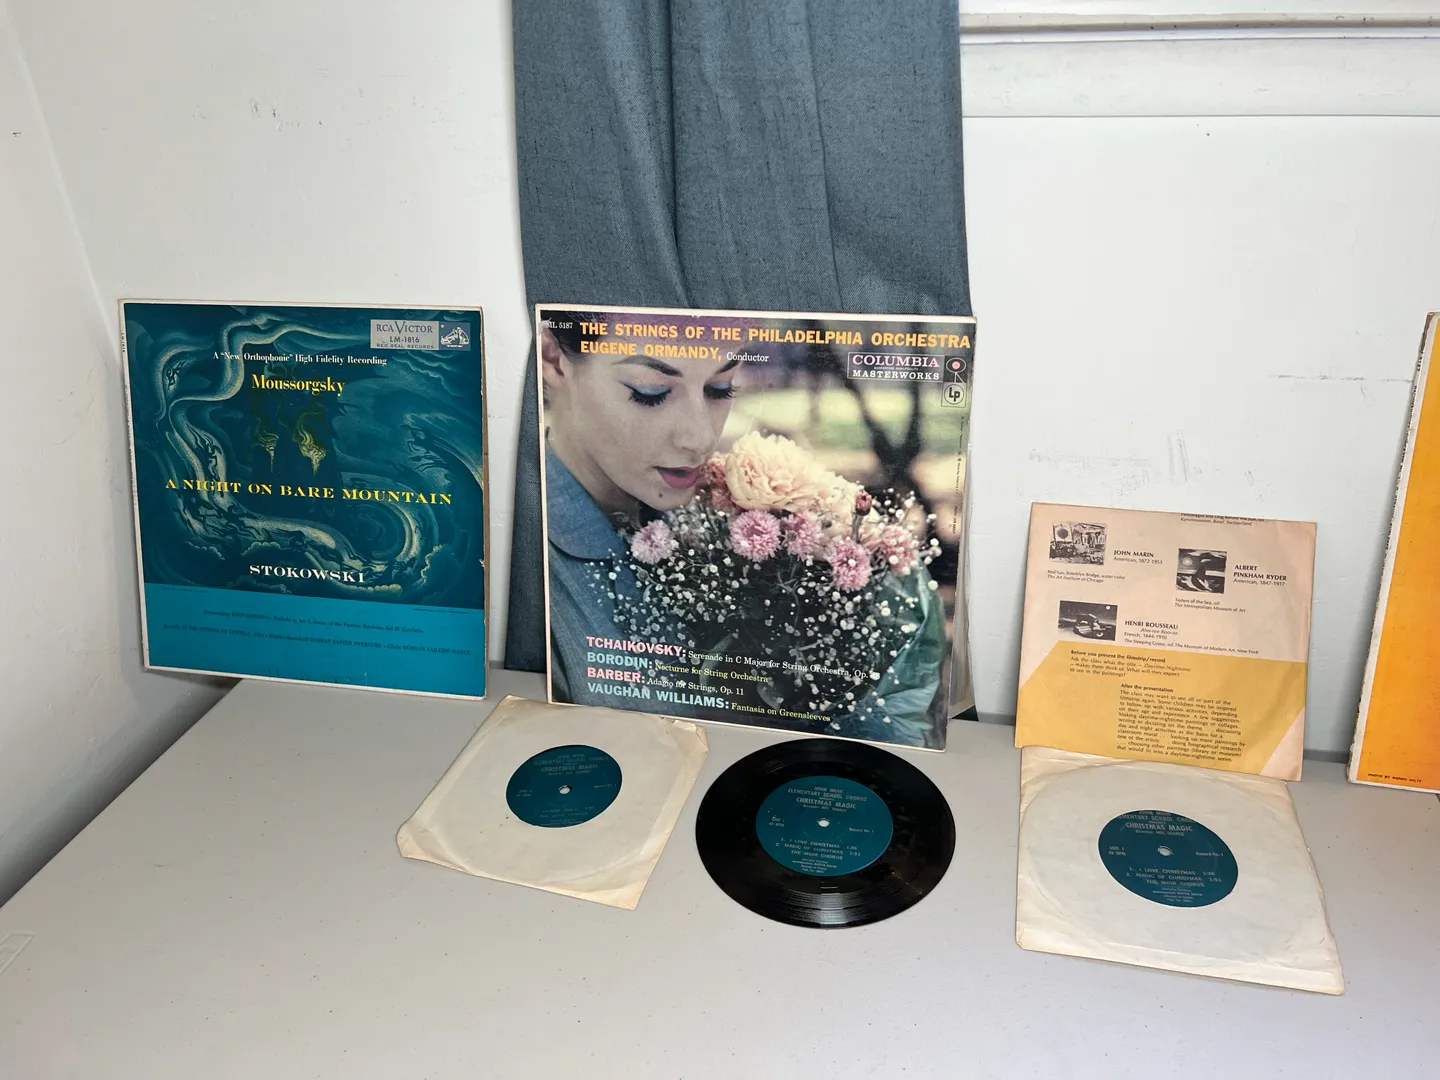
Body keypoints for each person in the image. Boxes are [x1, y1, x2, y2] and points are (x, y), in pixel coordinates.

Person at [539, 319, 739, 705]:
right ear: (554, 359)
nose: (701, 439)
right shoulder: (524, 550)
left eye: (720, 388)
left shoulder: (731, 523)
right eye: (651, 393)